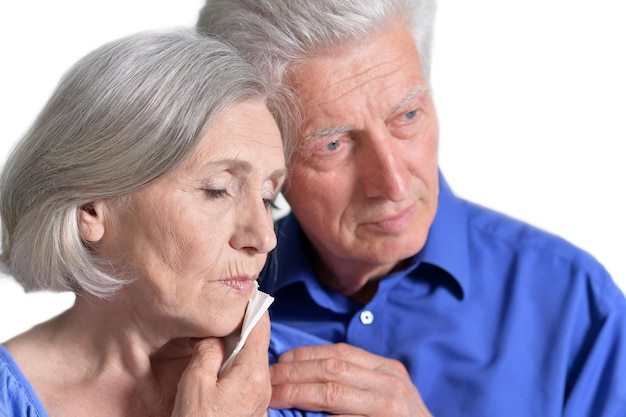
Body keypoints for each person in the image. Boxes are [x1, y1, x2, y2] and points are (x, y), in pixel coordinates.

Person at [197, 1, 626, 416]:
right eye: (332, 144)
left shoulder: (576, 303)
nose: (393, 183)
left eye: (406, 116)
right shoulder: (204, 304)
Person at [0, 28, 287, 417]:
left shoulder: (297, 387)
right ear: (91, 208)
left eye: (268, 197)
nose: (265, 237)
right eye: (218, 190)